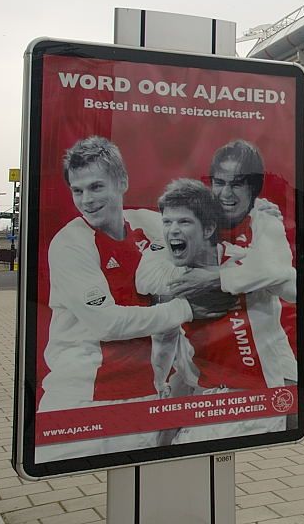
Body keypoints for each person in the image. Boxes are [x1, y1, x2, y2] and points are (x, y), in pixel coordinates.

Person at [38, 137, 236, 462]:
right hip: (82, 400)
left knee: (148, 488)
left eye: (96, 187)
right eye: (78, 190)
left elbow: (192, 254)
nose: (87, 200)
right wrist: (187, 306)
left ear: (122, 183)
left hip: (142, 394)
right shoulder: (70, 243)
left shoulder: (148, 224)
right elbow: (107, 323)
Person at [144, 179, 294, 443]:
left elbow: (292, 287)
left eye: (184, 222)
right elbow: (164, 336)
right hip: (209, 397)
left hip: (253, 404)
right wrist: (160, 385)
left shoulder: (244, 263)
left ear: (208, 228)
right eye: (167, 223)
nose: (172, 231)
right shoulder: (168, 273)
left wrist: (223, 278)